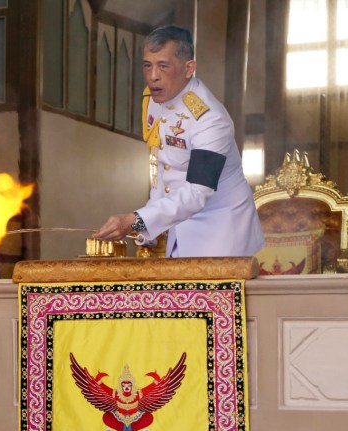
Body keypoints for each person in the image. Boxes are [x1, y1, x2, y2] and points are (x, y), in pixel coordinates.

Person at [93, 25, 264, 258]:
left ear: (188, 68)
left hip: (222, 233)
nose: (153, 76)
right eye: (147, 65)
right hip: (179, 228)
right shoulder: (155, 100)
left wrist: (138, 219)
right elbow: (163, 169)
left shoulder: (210, 119)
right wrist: (149, 226)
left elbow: (197, 190)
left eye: (163, 66)